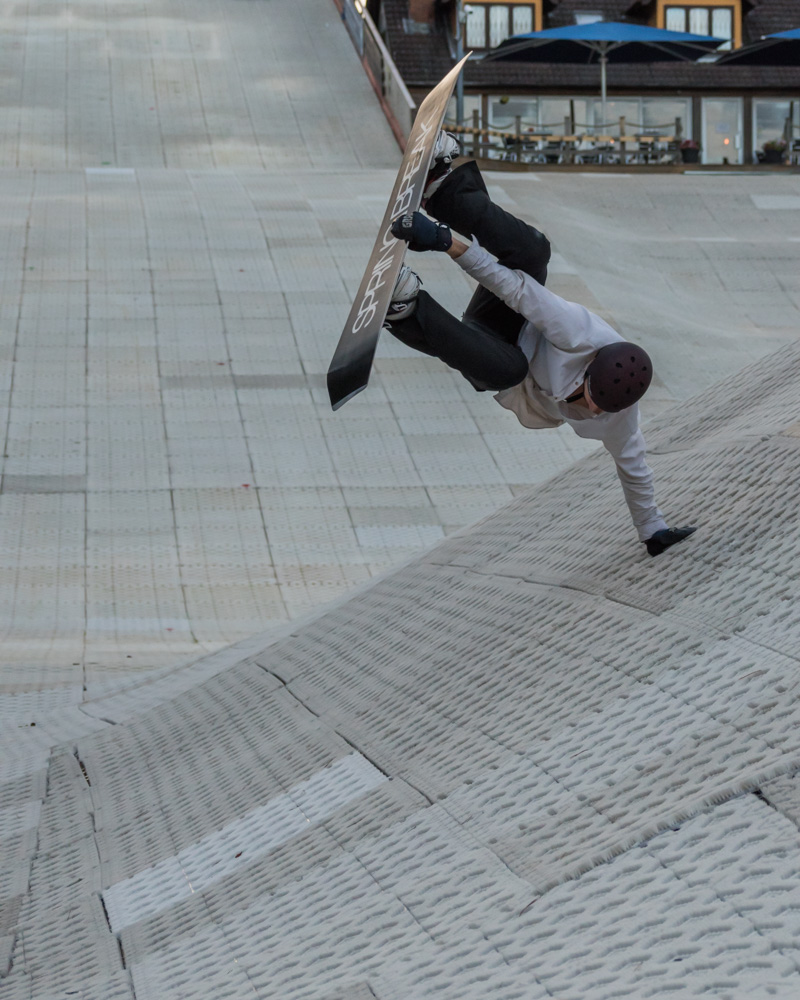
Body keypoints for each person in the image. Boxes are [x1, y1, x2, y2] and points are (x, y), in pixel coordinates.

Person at [386, 132, 695, 557]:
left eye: (599, 410)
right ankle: (442, 187)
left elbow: (635, 471)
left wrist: (653, 530)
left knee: (509, 368)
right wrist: (443, 239)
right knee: (534, 251)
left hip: (502, 367)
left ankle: (407, 308)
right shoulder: (579, 332)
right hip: (509, 319)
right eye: (590, 399)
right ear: (589, 367)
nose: (592, 411)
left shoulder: (620, 421)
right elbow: (515, 289)